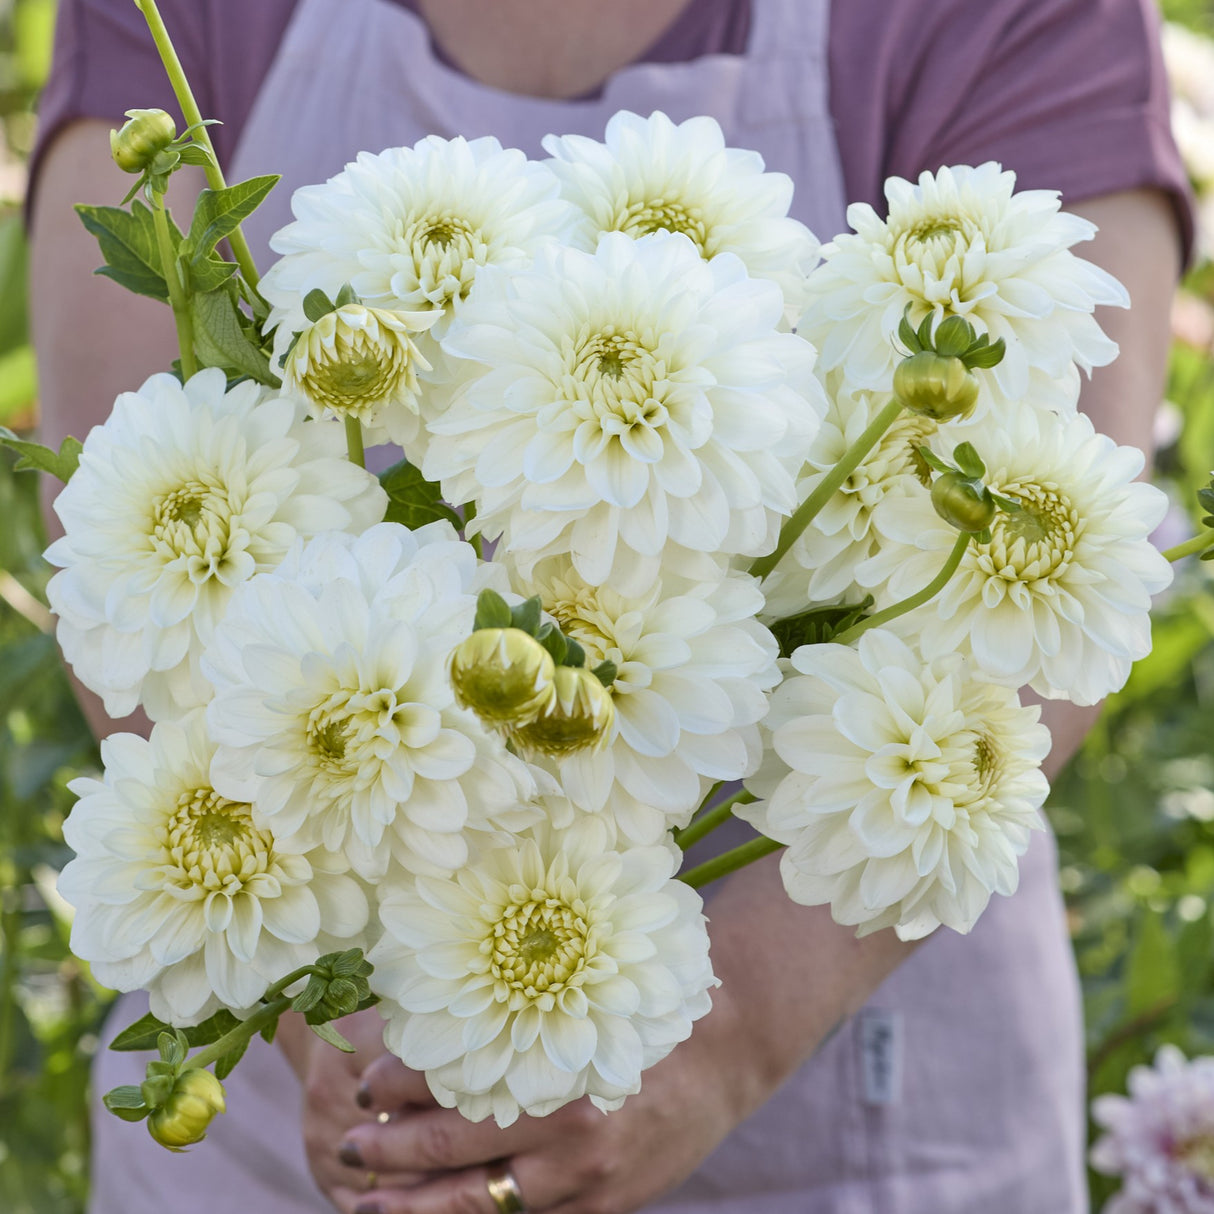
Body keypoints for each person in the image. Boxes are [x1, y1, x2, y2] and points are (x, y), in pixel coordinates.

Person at [28, 1, 1190, 1211]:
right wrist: (343, 1028)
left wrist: (727, 1038)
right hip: (307, 1101)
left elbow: (1066, 566)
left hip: (844, 1086)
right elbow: (108, 528)